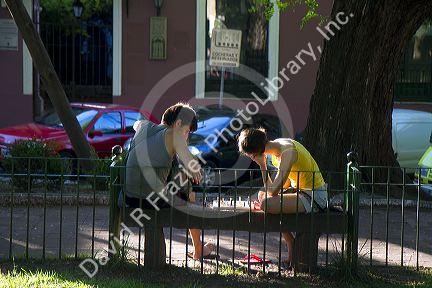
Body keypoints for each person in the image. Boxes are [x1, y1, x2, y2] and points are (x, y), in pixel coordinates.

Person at [124, 102, 214, 260]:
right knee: (190, 193)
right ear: (178, 124)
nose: (186, 136)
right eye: (187, 131)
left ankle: (199, 248)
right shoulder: (174, 135)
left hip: (130, 198)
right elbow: (194, 169)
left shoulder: (143, 126)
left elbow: (136, 124)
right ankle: (198, 249)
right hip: (151, 201)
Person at [237, 128, 327, 265]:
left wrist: (262, 166)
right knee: (266, 200)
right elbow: (281, 186)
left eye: (250, 155)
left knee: (267, 204)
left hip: (314, 196)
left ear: (254, 153)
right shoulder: (276, 149)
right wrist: (265, 193)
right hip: (300, 191)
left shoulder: (287, 152)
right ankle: (291, 243)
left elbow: (273, 192)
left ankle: (291, 243)